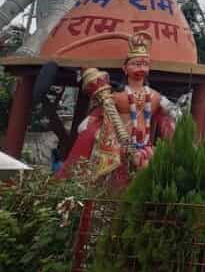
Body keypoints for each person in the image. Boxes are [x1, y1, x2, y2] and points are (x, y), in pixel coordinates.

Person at [57, 32, 175, 186]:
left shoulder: (156, 97)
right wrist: (90, 127)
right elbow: (95, 120)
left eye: (145, 64)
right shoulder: (116, 98)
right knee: (115, 186)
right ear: (125, 68)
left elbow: (169, 121)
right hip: (119, 150)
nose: (141, 68)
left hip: (145, 150)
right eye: (136, 64)